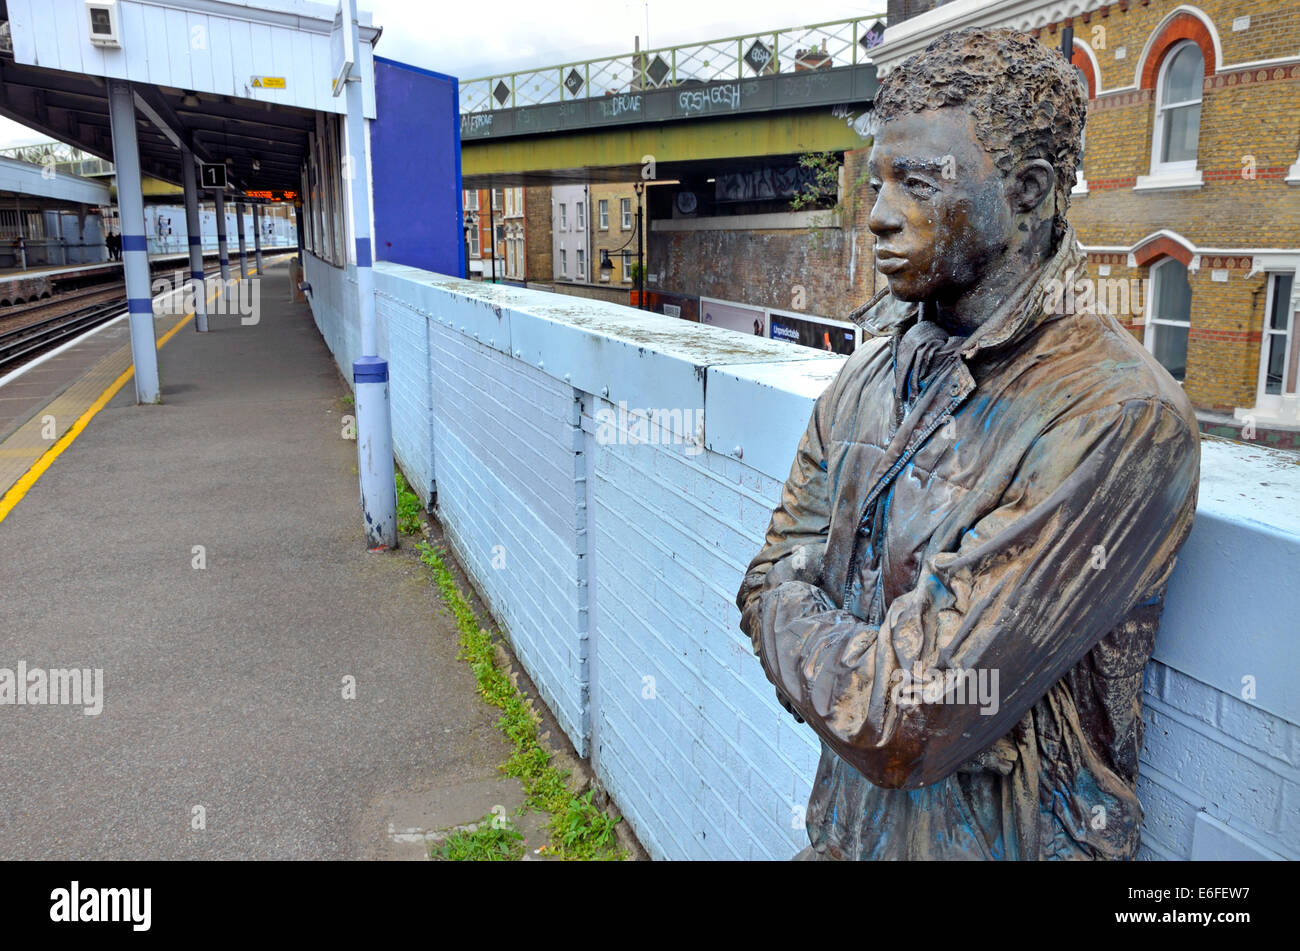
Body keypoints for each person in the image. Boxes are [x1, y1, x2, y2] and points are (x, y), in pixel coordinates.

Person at [735, 27, 1200, 860]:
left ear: (1026, 190)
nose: (877, 217)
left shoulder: (1115, 416)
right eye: (878, 181)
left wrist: (810, 634)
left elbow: (903, 718)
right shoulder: (869, 379)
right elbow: (764, 577)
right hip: (845, 840)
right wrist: (845, 656)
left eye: (917, 183)